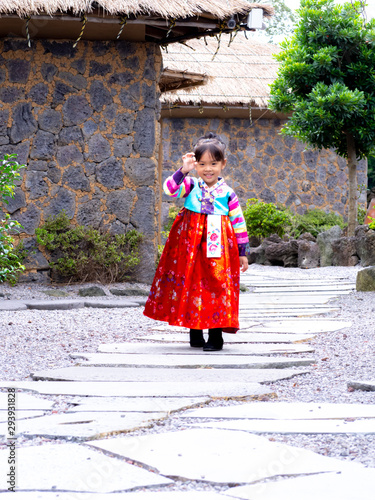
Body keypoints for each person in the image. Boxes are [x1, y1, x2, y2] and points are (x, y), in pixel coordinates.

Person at [143, 132, 249, 351]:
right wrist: (184, 170)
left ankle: (216, 335)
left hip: (219, 248)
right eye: (202, 164)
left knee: (217, 286)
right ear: (196, 165)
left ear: (223, 164)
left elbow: (238, 222)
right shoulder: (191, 185)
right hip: (189, 247)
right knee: (191, 284)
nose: (207, 169)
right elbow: (169, 189)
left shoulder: (228, 193)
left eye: (213, 163)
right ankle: (195, 331)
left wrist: (242, 252)